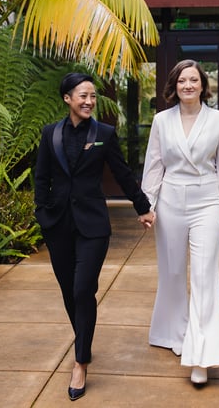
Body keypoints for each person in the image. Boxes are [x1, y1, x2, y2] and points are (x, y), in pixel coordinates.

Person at [34, 72, 155, 401]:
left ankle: (81, 361)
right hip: (58, 225)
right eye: (83, 95)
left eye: (92, 96)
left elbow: (122, 172)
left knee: (83, 288)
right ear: (67, 99)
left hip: (93, 226)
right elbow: (41, 176)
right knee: (68, 292)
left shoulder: (104, 133)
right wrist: (41, 214)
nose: (89, 101)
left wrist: (142, 206)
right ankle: (84, 339)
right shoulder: (50, 135)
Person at [141, 59, 219, 386]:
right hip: (169, 203)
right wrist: (147, 204)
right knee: (173, 271)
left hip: (206, 201)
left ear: (202, 85)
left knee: (204, 275)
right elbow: (154, 165)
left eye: (194, 80)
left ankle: (202, 356)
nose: (188, 86)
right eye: (182, 81)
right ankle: (178, 333)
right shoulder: (161, 121)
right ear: (174, 85)